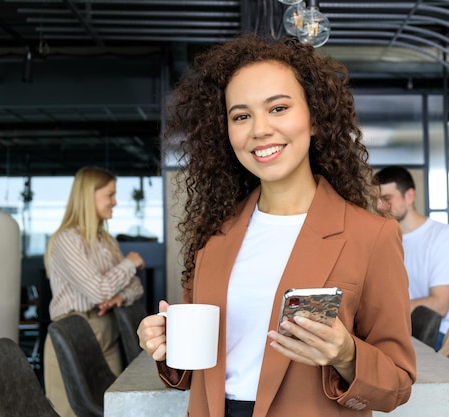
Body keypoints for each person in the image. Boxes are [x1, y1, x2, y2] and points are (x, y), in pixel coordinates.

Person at [137, 34, 416, 417]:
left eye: (278, 108)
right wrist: (167, 346)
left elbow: (397, 386)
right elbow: (198, 369)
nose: (260, 129)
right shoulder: (215, 234)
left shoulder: (371, 236)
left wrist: (347, 355)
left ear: (315, 118)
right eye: (241, 116)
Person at [43, 166, 145, 417]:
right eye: (110, 194)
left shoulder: (107, 242)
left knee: (110, 409)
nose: (115, 201)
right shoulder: (67, 240)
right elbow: (99, 291)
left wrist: (120, 296)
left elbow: (136, 287)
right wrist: (130, 263)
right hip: (73, 332)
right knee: (69, 413)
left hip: (106, 328)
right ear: (90, 195)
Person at [373, 165, 449, 350]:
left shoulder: (442, 236)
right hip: (417, 330)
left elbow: (439, 305)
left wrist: (386, 310)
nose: (379, 206)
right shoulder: (387, 241)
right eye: (376, 200)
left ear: (409, 196)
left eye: (386, 198)